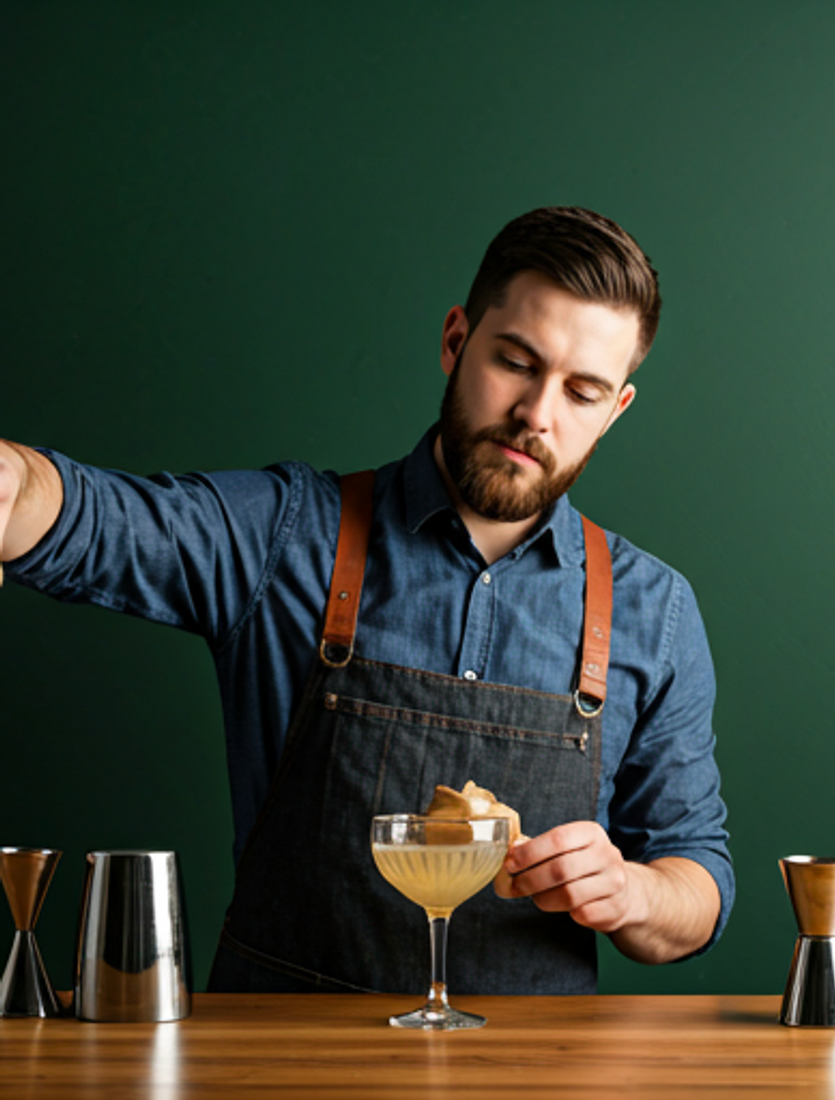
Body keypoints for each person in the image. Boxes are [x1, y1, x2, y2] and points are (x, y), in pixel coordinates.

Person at [0, 207, 732, 995]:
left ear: (615, 410)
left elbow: (696, 882)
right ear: (456, 340)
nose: (537, 415)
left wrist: (630, 892)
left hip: (533, 1076)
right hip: (281, 1069)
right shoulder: (288, 534)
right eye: (516, 362)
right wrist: (12, 488)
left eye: (582, 392)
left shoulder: (654, 610)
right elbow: (85, 514)